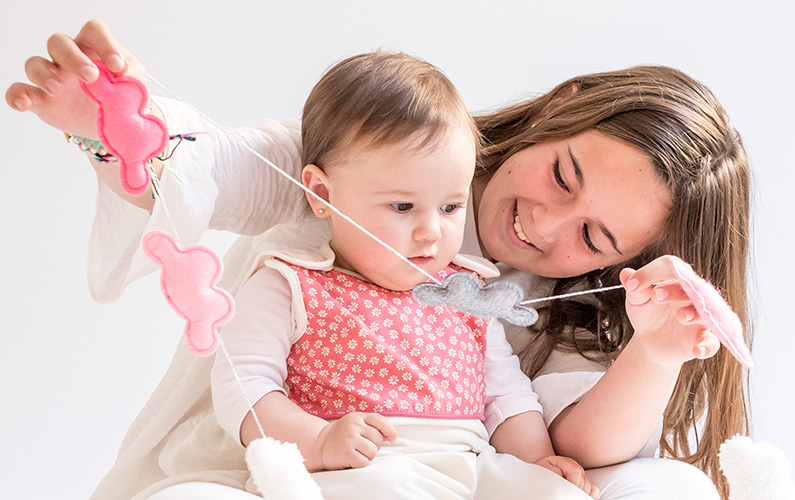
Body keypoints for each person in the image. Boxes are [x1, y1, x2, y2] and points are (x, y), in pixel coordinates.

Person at [7, 19, 748, 500]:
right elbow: (217, 167)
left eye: (592, 239)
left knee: (660, 486)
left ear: (627, 262)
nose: (544, 223)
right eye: (561, 175)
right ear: (561, 109)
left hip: (457, 470)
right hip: (276, 456)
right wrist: (117, 127)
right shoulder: (367, 162)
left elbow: (558, 432)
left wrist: (656, 350)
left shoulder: (528, 297)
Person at [208, 50, 596, 499]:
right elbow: (242, 388)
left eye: (450, 207)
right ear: (321, 194)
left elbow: (506, 398)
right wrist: (317, 441)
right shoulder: (290, 284)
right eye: (402, 207)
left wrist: (536, 462)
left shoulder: (465, 293)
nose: (431, 232)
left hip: (469, 468)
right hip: (360, 469)